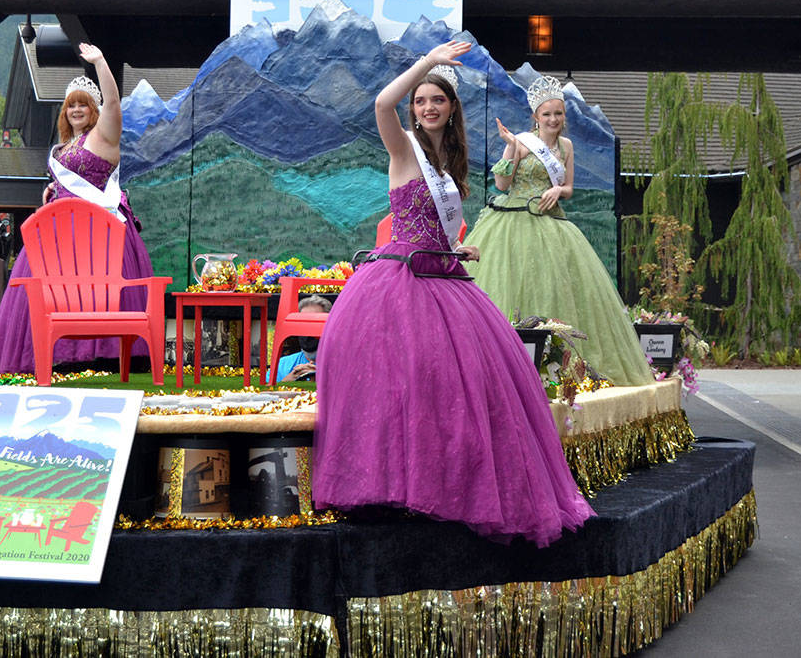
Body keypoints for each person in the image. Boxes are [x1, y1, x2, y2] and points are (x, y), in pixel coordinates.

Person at [313, 42, 593, 546]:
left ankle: (446, 487)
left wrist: (459, 250)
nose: (426, 108)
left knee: (453, 391)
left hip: (444, 276)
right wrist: (426, 64)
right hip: (398, 283)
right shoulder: (402, 145)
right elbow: (381, 104)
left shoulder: (452, 161)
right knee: (398, 386)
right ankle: (391, 490)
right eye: (420, 100)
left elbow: (440, 227)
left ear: (451, 107)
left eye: (436, 100)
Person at [462, 72, 654, 387]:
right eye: (547, 114)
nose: (553, 119)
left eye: (558, 113)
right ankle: (502, 370)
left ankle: (559, 368)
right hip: (514, 221)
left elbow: (568, 187)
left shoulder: (566, 146)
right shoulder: (523, 142)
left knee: (556, 287)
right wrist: (510, 148)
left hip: (552, 223)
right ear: (535, 117)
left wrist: (556, 192)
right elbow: (501, 184)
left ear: (564, 116)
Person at [0, 42, 154, 374]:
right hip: (59, 234)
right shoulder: (63, 147)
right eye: (71, 105)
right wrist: (54, 187)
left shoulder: (104, 136)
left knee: (97, 292)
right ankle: (45, 354)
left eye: (83, 105)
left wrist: (100, 61)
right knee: (48, 291)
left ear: (94, 110)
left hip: (98, 232)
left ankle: (101, 355)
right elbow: (70, 179)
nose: (77, 110)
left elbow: (115, 103)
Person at [275, 295, 332, 382]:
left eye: (314, 322)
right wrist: (288, 381)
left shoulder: (344, 364)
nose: (307, 328)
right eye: (303, 321)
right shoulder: (282, 364)